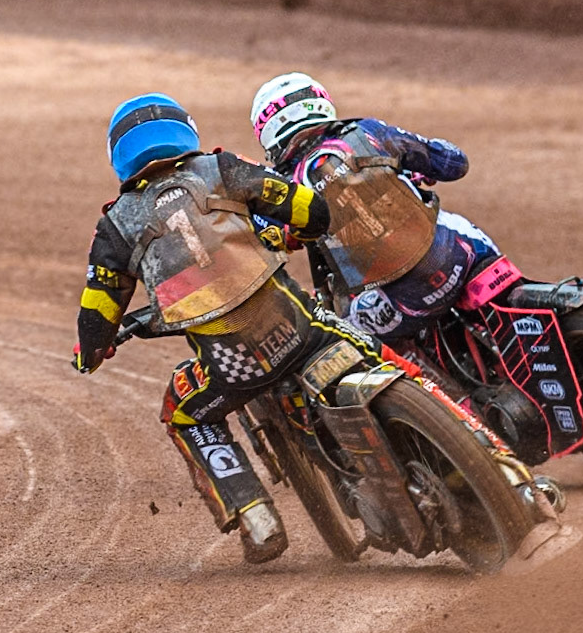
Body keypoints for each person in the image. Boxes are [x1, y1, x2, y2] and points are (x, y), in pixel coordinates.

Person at [74, 93, 391, 563]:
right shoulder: (223, 168)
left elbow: (99, 309)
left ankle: (255, 514)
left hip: (230, 365)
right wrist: (299, 227)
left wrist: (91, 351)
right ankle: (474, 451)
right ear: (186, 130)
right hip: (300, 330)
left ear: (119, 157)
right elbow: (308, 211)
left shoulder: (116, 225)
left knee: (185, 411)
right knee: (371, 348)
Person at [248, 72, 522, 362]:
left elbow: (265, 237)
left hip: (403, 301)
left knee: (342, 341)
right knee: (456, 225)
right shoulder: (368, 132)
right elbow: (454, 163)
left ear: (267, 131)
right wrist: (412, 166)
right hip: (460, 256)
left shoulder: (284, 187)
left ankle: (445, 404)